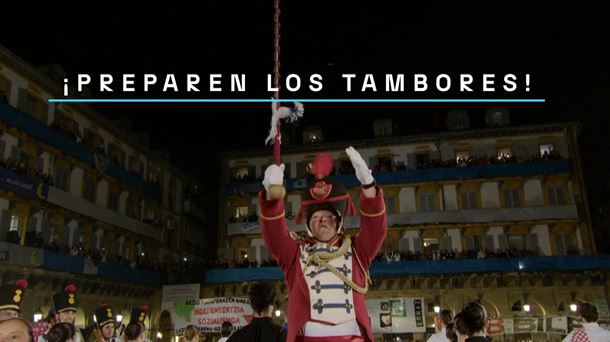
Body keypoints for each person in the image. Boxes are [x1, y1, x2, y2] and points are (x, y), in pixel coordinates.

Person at [259, 147, 387, 342]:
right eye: (316, 217)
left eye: (329, 216)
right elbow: (274, 235)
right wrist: (271, 196)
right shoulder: (295, 254)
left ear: (339, 221)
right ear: (309, 224)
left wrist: (369, 185)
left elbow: (376, 230)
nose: (323, 221)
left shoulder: (356, 251)